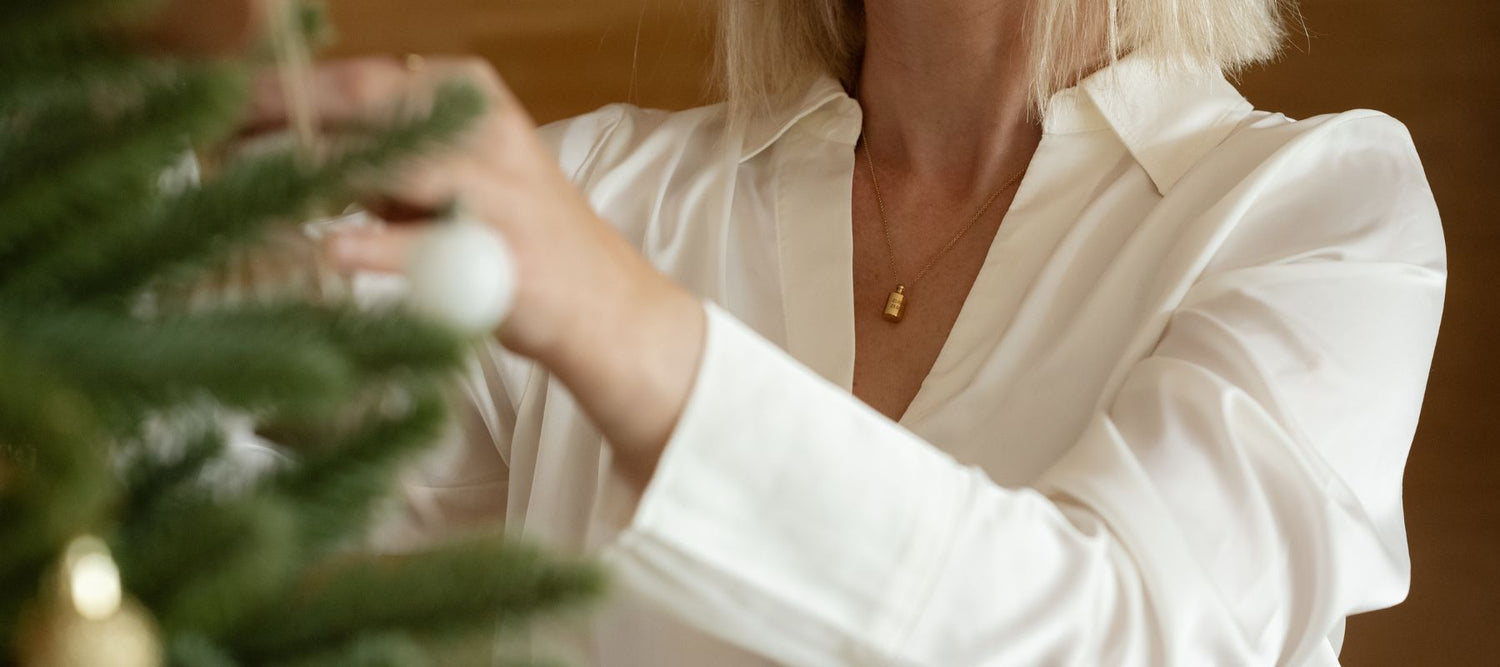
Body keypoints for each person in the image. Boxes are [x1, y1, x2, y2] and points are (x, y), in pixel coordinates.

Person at [249, 0, 1447, 663]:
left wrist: (624, 331)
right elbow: (212, 502)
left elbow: (1132, 640)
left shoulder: (1316, 212)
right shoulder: (589, 194)